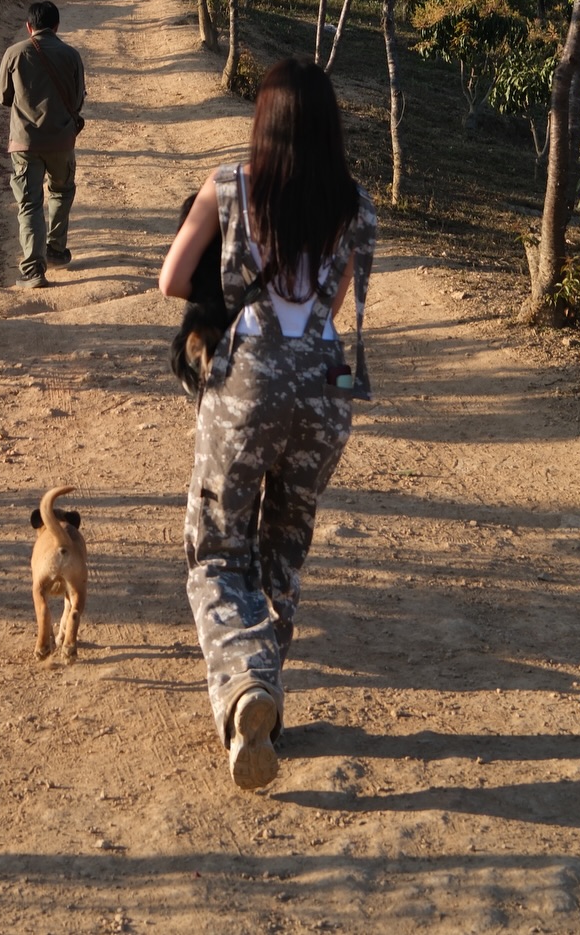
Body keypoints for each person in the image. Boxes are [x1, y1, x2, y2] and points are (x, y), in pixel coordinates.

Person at [158, 57, 376, 790]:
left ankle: (247, 685)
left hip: (249, 378)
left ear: (265, 121)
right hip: (328, 386)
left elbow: (169, 279)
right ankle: (265, 704)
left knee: (219, 549)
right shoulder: (355, 203)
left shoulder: (230, 186)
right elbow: (331, 307)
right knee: (285, 546)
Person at [0, 0, 86, 288]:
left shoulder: (14, 53)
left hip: (24, 144)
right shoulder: (71, 55)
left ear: (28, 27)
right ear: (56, 26)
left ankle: (34, 271)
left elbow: (3, 97)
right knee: (61, 191)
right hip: (62, 141)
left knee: (30, 204)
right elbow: (78, 101)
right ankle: (56, 250)